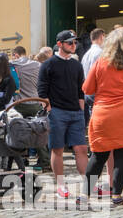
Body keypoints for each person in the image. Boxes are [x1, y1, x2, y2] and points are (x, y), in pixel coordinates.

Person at [81, 28, 123, 206]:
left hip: (103, 114)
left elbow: (87, 89)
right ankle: (117, 195)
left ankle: (85, 196)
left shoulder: (100, 63)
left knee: (98, 156)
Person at [37, 32, 89, 201]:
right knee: (57, 149)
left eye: (74, 42)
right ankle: (60, 185)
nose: (73, 45)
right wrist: (50, 109)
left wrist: (81, 110)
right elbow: (42, 90)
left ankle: (87, 184)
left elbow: (81, 89)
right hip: (57, 112)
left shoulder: (76, 65)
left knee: (81, 149)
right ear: (60, 44)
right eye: (69, 43)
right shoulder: (48, 65)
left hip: (75, 112)